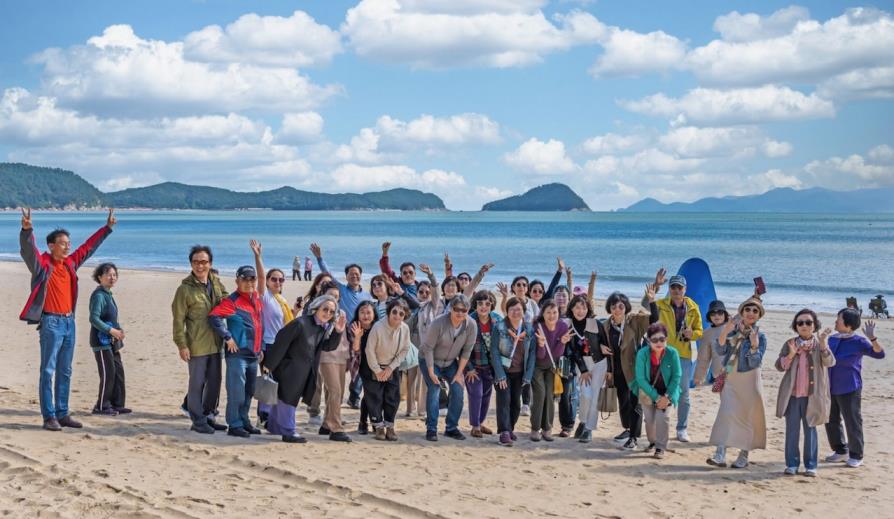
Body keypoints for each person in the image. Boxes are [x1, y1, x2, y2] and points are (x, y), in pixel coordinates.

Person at [19, 208, 116, 431]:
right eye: (63, 243)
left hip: (69, 323)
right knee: (48, 370)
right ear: (52, 245)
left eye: (68, 243)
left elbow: (88, 248)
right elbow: (28, 251)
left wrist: (107, 229)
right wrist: (26, 231)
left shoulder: (70, 263)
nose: (68, 246)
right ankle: (49, 416)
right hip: (51, 323)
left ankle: (62, 413)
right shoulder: (43, 265)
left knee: (66, 370)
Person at [263, 295, 346, 443]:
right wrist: (269, 366)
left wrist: (338, 332)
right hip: (289, 369)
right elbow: (281, 342)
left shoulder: (321, 327)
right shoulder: (300, 323)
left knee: (285, 398)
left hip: (303, 371)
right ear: (316, 308)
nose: (328, 313)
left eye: (332, 312)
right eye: (325, 309)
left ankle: (274, 426)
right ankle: (288, 431)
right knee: (288, 399)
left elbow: (327, 346)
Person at [706, 295, 768, 469]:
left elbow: (755, 362)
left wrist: (754, 346)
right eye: (747, 309)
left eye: (755, 311)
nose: (751, 313)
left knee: (747, 417)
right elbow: (720, 349)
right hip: (731, 377)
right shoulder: (733, 332)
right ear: (741, 312)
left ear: (759, 315)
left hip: (750, 379)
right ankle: (720, 455)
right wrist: (726, 330)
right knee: (726, 413)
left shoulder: (760, 336)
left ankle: (743, 455)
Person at [173, 245, 229, 434]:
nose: (200, 266)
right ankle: (197, 421)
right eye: (196, 262)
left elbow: (227, 300)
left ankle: (209, 416)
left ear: (210, 263)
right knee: (197, 384)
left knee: (215, 382)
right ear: (191, 264)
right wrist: (182, 345)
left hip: (216, 342)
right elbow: (178, 320)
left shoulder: (215, 281)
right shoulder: (184, 290)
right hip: (196, 344)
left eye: (204, 262)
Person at [600, 279, 661, 450]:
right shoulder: (605, 325)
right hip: (617, 370)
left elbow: (654, 320)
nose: (617, 309)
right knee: (623, 402)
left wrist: (652, 300)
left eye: (620, 306)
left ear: (626, 307)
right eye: (613, 306)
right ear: (609, 309)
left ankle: (633, 437)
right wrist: (601, 347)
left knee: (635, 404)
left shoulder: (634, 321)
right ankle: (628, 430)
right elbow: (599, 342)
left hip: (635, 370)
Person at [775, 309, 835, 476]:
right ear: (796, 326)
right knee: (792, 431)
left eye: (808, 322)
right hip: (792, 396)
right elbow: (780, 367)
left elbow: (829, 362)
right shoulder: (790, 343)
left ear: (814, 325)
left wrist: (823, 344)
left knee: (811, 431)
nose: (804, 325)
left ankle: (811, 466)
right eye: (800, 322)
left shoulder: (819, 345)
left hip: (812, 396)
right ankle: (792, 464)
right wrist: (791, 355)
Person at [824, 309, 885, 468]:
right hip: (829, 386)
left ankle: (856, 455)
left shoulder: (859, 341)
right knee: (831, 420)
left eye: (839, 319)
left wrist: (872, 338)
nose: (836, 321)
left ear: (848, 325)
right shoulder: (832, 339)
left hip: (849, 387)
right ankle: (840, 450)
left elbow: (879, 354)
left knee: (852, 421)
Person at [208, 265, 264, 438]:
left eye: (252, 279)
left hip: (253, 355)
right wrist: (227, 337)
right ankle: (234, 424)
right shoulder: (231, 301)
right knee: (237, 392)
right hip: (237, 355)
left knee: (249, 391)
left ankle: (244, 420)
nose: (249, 283)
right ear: (237, 281)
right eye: (245, 279)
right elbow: (214, 317)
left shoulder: (256, 298)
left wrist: (260, 348)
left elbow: (259, 326)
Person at [419, 294, 477, 441]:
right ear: (451, 308)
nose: (460, 313)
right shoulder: (438, 323)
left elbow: (467, 351)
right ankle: (431, 429)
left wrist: (459, 374)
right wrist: (431, 372)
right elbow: (428, 348)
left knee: (458, 389)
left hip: (451, 362)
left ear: (468, 311)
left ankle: (451, 428)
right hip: (428, 359)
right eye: (457, 309)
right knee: (435, 388)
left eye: (464, 311)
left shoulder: (471, 325)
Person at [250, 240, 294, 428]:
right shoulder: (265, 296)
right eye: (274, 279)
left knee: (279, 382)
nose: (277, 282)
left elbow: (284, 324)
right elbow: (259, 278)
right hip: (268, 346)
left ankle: (270, 416)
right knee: (269, 381)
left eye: (281, 279)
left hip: (282, 346)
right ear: (268, 282)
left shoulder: (281, 300)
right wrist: (258, 256)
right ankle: (263, 416)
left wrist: (296, 311)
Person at [655, 273, 703, 443]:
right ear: (670, 289)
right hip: (663, 353)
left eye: (679, 287)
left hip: (684, 355)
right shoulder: (661, 304)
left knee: (683, 393)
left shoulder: (692, 307)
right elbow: (647, 303)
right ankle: (659, 427)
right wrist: (656, 285)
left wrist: (693, 334)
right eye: (673, 287)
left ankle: (682, 428)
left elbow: (700, 330)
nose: (676, 290)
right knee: (661, 390)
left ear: (685, 289)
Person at [630, 322, 682, 460]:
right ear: (648, 341)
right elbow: (640, 379)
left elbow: (677, 376)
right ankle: (652, 442)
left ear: (666, 339)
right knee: (650, 420)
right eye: (654, 340)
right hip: (648, 390)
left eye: (662, 339)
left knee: (663, 418)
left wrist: (667, 397)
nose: (658, 343)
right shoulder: (642, 353)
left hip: (667, 391)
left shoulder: (672, 353)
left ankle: (660, 447)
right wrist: (656, 397)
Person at [363, 298, 411, 441]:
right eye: (394, 312)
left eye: (401, 314)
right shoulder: (378, 327)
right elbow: (369, 350)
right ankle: (378, 427)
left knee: (392, 398)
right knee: (374, 398)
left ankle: (389, 426)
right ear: (389, 312)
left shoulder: (405, 329)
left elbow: (405, 349)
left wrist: (390, 368)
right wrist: (377, 370)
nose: (397, 316)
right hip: (375, 366)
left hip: (392, 368)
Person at [492, 297, 537, 446]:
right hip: (503, 371)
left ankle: (510, 428)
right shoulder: (499, 327)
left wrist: (528, 376)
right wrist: (499, 375)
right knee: (504, 400)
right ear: (507, 311)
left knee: (516, 404)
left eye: (518, 309)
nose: (515, 312)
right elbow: (494, 352)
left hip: (520, 372)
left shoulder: (529, 329)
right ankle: (504, 432)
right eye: (512, 309)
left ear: (524, 311)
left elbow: (532, 354)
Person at [88, 262, 128, 416]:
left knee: (118, 372)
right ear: (100, 277)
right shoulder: (98, 295)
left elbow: (110, 317)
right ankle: (101, 406)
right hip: (101, 341)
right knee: (108, 373)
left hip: (112, 341)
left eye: (114, 275)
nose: (112, 278)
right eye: (108, 275)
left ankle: (116, 404)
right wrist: (111, 330)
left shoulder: (108, 294)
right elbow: (94, 318)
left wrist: (119, 331)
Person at [529, 299, 572, 442]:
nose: (552, 315)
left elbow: (557, 355)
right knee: (540, 394)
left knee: (550, 396)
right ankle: (535, 428)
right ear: (543, 313)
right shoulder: (537, 326)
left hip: (552, 366)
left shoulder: (562, 327)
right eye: (548, 312)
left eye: (555, 312)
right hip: (537, 365)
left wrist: (562, 342)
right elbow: (540, 355)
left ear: (559, 313)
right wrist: (541, 344)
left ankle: (547, 428)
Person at [567, 294, 607, 443]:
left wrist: (609, 371)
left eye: (583, 307)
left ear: (588, 309)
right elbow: (571, 350)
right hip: (581, 365)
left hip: (599, 364)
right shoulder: (568, 325)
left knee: (595, 396)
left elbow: (605, 344)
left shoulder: (596, 324)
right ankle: (583, 421)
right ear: (571, 309)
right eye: (577, 307)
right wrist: (583, 370)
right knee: (586, 395)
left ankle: (588, 428)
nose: (580, 310)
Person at [466, 290, 502, 438]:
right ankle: (474, 426)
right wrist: (468, 368)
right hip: (473, 366)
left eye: (487, 304)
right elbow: (461, 347)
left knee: (487, 395)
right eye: (480, 303)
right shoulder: (469, 321)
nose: (483, 307)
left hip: (490, 367)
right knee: (476, 394)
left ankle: (480, 423)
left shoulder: (497, 320)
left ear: (492, 305)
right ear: (475, 304)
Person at [406, 265, 439, 418]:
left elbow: (436, 289)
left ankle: (421, 409)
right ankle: (409, 409)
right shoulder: (413, 309)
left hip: (428, 350)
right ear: (417, 293)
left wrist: (431, 275)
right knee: (410, 380)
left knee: (425, 381)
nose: (425, 294)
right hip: (412, 348)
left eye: (427, 292)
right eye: (421, 292)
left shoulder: (434, 306)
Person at [309, 242, 372, 318]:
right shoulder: (340, 289)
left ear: (361, 275)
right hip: (343, 328)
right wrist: (319, 258)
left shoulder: (367, 296)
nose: (354, 276)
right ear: (346, 276)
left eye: (356, 274)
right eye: (351, 274)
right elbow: (328, 273)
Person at [350, 301, 379, 434]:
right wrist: (357, 337)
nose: (365, 315)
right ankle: (364, 422)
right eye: (362, 312)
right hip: (363, 364)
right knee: (368, 393)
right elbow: (355, 350)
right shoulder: (355, 327)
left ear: (374, 314)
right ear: (358, 314)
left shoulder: (379, 327)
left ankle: (374, 420)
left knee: (377, 394)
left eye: (368, 312)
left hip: (379, 364)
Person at [694, 300, 730, 386]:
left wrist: (756, 297)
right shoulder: (707, 333)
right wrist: (699, 377)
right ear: (709, 316)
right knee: (726, 399)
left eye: (720, 312)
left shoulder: (734, 327)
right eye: (713, 313)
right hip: (719, 375)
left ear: (725, 314)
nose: (716, 316)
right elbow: (703, 358)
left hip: (737, 372)